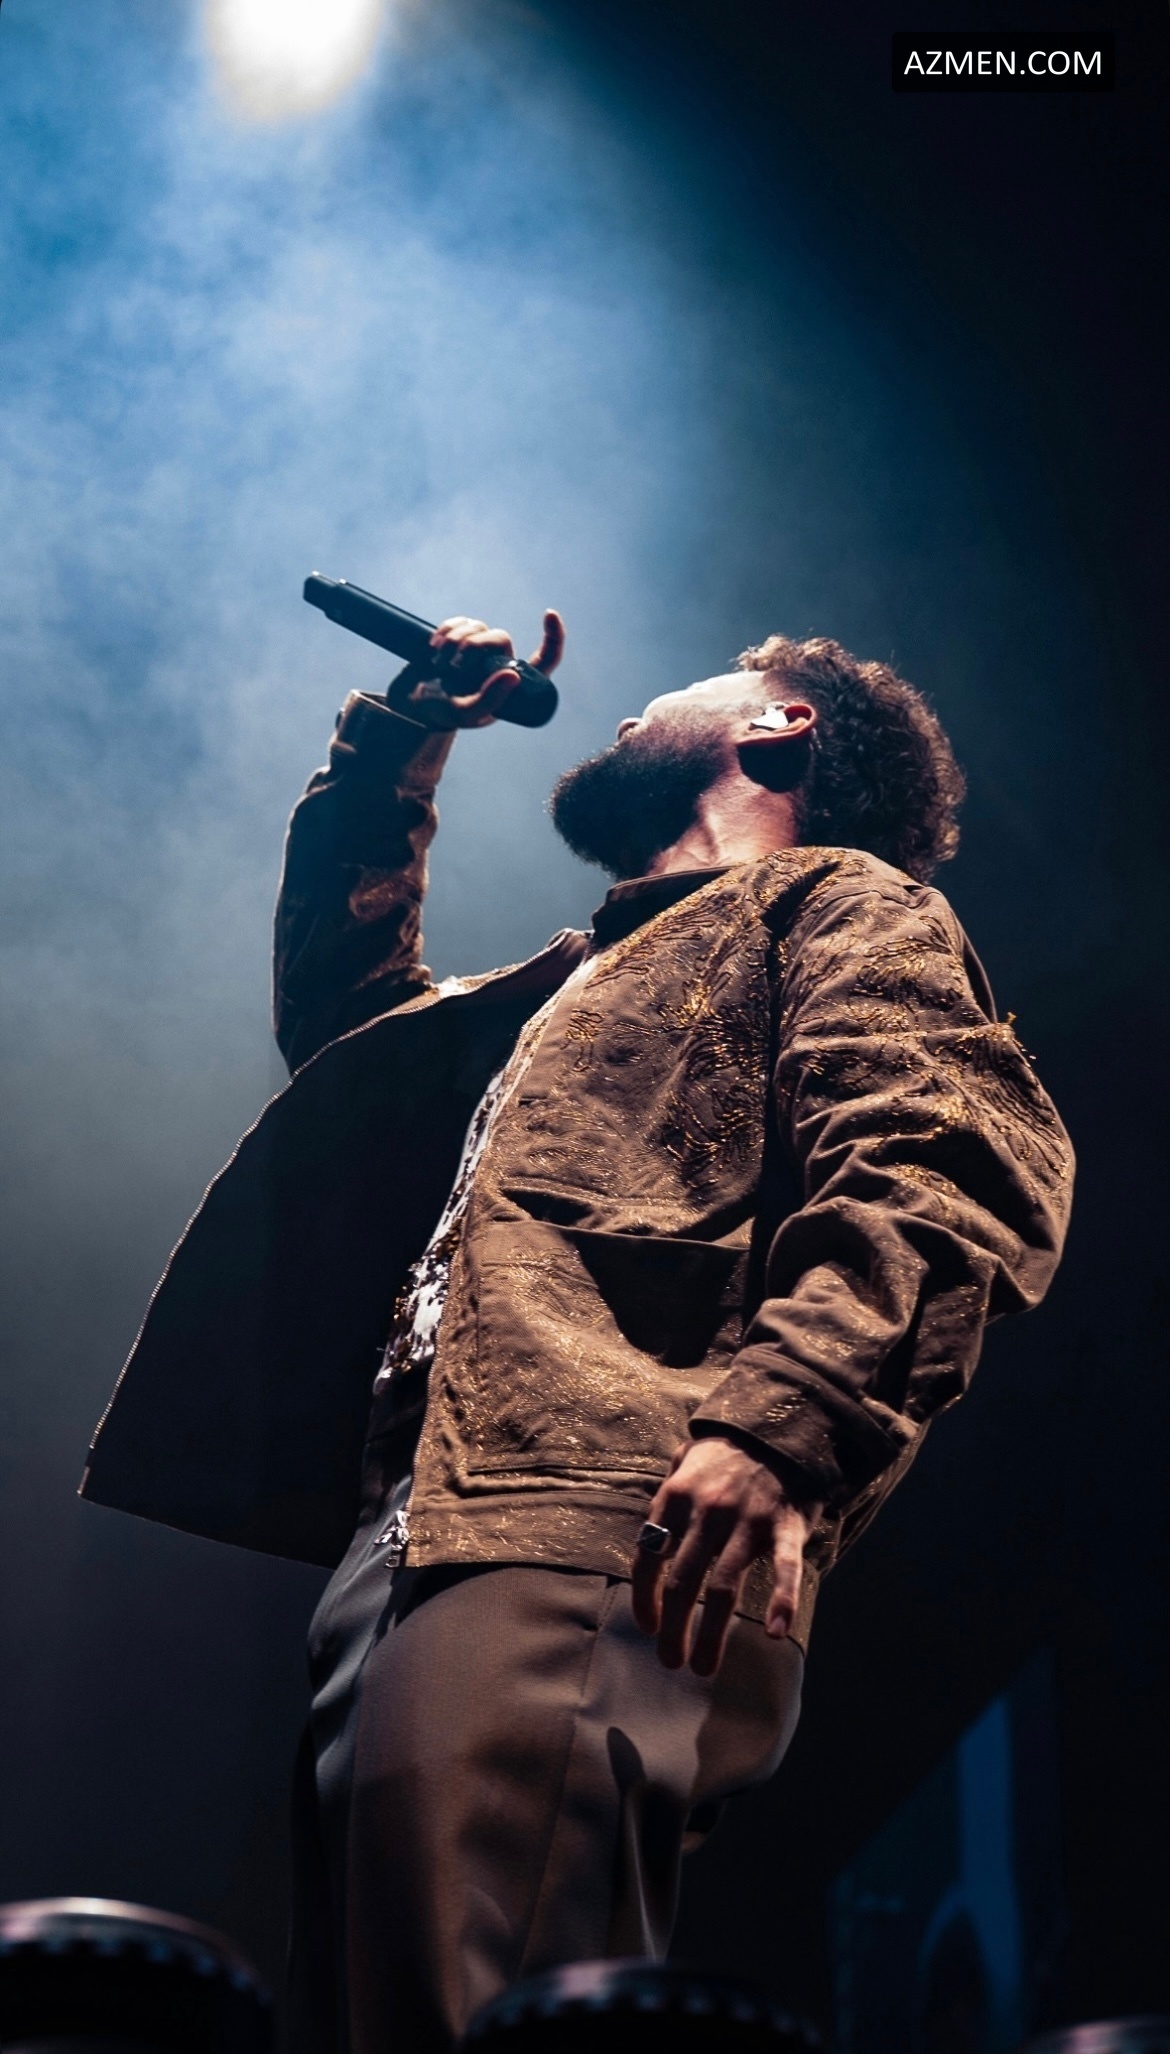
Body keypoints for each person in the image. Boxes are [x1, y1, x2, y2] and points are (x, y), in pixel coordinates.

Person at [82, 608, 1073, 2054]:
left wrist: (781, 1425)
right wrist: (401, 747)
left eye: (685, 686)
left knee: (475, 1998)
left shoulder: (837, 904)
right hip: (425, 1526)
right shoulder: (573, 984)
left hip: (600, 1517)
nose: (623, 713)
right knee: (383, 2007)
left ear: (779, 724)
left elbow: (942, 1165)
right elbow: (352, 1036)